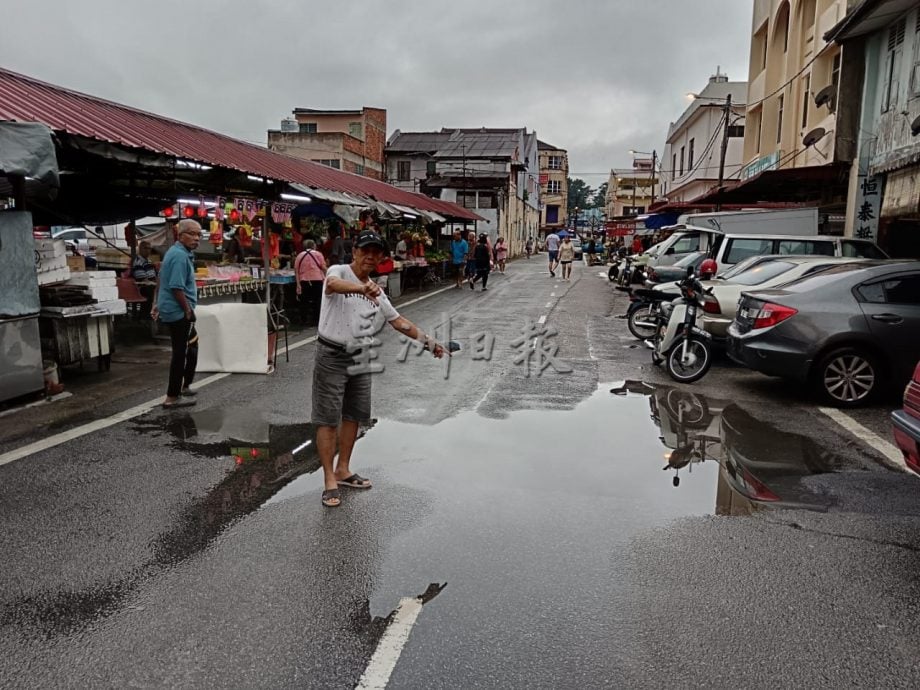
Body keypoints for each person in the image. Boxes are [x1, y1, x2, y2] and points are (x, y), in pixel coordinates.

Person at [313, 230, 445, 508]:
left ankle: (343, 469)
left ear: (381, 258)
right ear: (355, 253)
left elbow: (398, 322)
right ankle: (329, 479)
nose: (370, 257)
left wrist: (428, 342)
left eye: (376, 253)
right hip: (332, 354)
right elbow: (332, 284)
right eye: (365, 251)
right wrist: (361, 289)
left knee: (354, 415)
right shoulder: (339, 271)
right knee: (327, 418)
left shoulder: (378, 291)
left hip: (361, 356)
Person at [156, 219, 201, 409]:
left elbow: (161, 279)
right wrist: (188, 311)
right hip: (178, 312)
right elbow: (176, 287)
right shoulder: (179, 256)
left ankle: (185, 385)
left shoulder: (180, 253)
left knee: (192, 346)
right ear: (180, 235)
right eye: (192, 234)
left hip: (175, 309)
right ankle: (172, 396)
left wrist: (155, 303)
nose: (196, 238)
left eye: (199, 234)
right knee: (180, 352)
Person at [295, 239, 327, 326]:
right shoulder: (318, 254)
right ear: (313, 246)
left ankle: (304, 319)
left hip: (304, 281)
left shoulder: (299, 256)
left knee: (304, 301)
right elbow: (323, 268)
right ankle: (317, 320)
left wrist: (298, 284)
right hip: (317, 280)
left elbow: (296, 271)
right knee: (318, 300)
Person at [132, 240, 158, 319]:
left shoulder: (149, 261)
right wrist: (154, 283)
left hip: (151, 284)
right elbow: (142, 279)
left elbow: (154, 276)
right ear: (140, 249)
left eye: (149, 248)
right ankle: (146, 317)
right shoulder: (138, 262)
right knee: (151, 290)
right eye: (145, 248)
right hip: (142, 287)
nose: (148, 250)